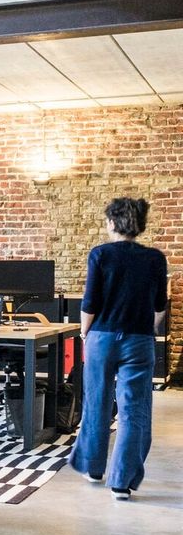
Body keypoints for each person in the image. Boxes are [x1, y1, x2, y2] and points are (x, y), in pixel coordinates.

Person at [68, 197, 168, 500]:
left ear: (112, 222)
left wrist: (86, 332)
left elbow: (90, 302)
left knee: (96, 402)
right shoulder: (155, 258)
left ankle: (93, 469)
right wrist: (147, 328)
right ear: (140, 224)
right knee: (134, 411)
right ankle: (122, 483)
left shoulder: (100, 254)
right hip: (139, 340)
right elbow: (159, 304)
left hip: (102, 338)